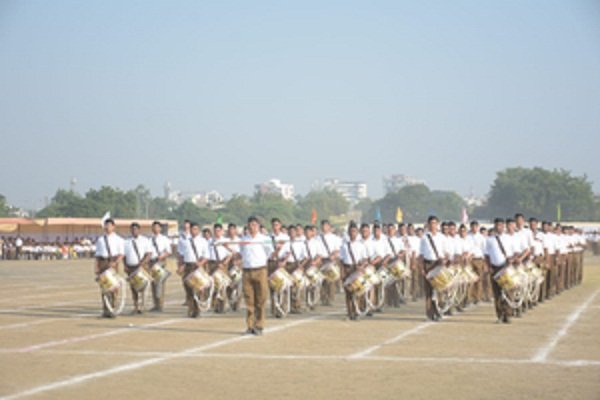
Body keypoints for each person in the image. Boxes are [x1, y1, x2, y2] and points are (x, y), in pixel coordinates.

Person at [239, 216, 272, 335]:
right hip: (247, 271)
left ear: (258, 226)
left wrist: (261, 261)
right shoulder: (243, 239)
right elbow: (242, 253)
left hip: (260, 270)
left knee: (261, 298)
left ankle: (259, 324)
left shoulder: (265, 239)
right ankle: (250, 325)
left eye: (254, 225)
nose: (252, 227)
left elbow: (269, 252)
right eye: (250, 225)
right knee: (249, 300)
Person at [485, 218, 517, 324]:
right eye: (498, 225)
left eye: (501, 226)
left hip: (506, 267)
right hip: (495, 268)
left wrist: (512, 260)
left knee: (508, 291)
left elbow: (515, 252)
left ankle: (508, 314)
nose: (500, 227)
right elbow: (487, 255)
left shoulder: (509, 238)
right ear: (495, 226)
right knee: (497, 293)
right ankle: (499, 315)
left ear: (504, 227)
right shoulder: (489, 240)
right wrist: (488, 266)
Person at [419, 216, 449, 321]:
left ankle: (439, 311)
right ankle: (430, 314)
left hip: (439, 264)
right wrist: (422, 268)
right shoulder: (424, 238)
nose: (433, 225)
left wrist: (445, 261)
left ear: (438, 224)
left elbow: (447, 253)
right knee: (429, 291)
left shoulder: (442, 237)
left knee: (440, 289)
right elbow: (421, 255)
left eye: (435, 223)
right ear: (428, 224)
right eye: (431, 223)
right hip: (428, 264)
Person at [94, 219, 125, 318]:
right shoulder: (100, 240)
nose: (107, 227)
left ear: (113, 227)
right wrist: (96, 267)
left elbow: (121, 254)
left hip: (113, 263)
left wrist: (115, 263)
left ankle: (112, 307)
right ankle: (105, 309)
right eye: (106, 225)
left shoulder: (119, 239)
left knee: (114, 287)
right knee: (104, 286)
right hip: (103, 262)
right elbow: (97, 255)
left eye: (109, 225)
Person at [180, 223, 210, 318]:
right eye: (193, 229)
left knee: (198, 289)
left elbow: (206, 256)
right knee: (188, 289)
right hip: (187, 266)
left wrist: (200, 264)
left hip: (197, 266)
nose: (194, 231)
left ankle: (197, 310)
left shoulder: (203, 241)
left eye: (196, 229)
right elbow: (181, 255)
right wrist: (181, 265)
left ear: (199, 230)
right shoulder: (185, 241)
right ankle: (191, 308)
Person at [339, 222, 368, 321]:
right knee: (348, 292)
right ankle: (349, 312)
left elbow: (365, 259)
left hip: (357, 269)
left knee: (358, 291)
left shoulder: (361, 245)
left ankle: (356, 312)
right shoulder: (344, 246)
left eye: (354, 231)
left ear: (357, 232)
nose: (353, 233)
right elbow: (341, 260)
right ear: (348, 232)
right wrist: (341, 272)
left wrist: (361, 267)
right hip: (347, 269)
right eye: (351, 231)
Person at [124, 223, 152, 314]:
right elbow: (124, 255)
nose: (134, 231)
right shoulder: (126, 242)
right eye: (132, 229)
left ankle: (143, 306)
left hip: (142, 267)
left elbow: (149, 253)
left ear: (139, 230)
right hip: (131, 267)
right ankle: (136, 306)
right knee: (133, 288)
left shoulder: (145, 240)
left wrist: (143, 263)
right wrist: (125, 265)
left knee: (144, 286)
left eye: (136, 229)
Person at [149, 221, 172, 312]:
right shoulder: (149, 239)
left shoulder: (164, 239)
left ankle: (160, 304)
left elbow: (168, 251)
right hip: (152, 262)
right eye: (154, 227)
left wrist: (161, 256)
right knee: (153, 284)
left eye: (157, 227)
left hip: (160, 262)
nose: (155, 229)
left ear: (160, 229)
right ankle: (155, 304)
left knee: (160, 283)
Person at [318, 220, 342, 306]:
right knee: (322, 280)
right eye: (322, 226)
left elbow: (338, 249)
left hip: (330, 260)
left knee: (330, 280)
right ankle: (323, 298)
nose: (323, 227)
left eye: (325, 225)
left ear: (329, 226)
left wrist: (334, 256)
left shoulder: (334, 238)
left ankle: (330, 298)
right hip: (321, 260)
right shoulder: (317, 238)